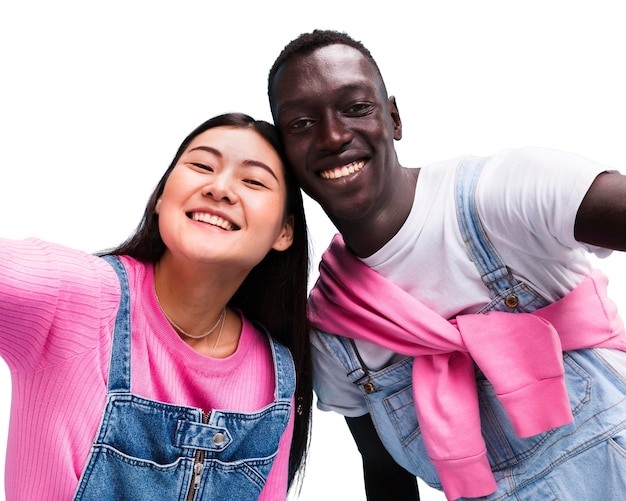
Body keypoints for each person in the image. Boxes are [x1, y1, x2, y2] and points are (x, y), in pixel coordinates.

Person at [267, 29, 626, 501]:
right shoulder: (333, 331)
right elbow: (386, 477)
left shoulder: (501, 195)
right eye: (302, 124)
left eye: (356, 108)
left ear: (393, 118)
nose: (333, 136)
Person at [0, 112, 312, 500]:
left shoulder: (275, 372)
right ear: (162, 197)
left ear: (284, 232)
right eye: (201, 165)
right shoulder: (72, 296)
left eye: (253, 181)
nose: (220, 188)